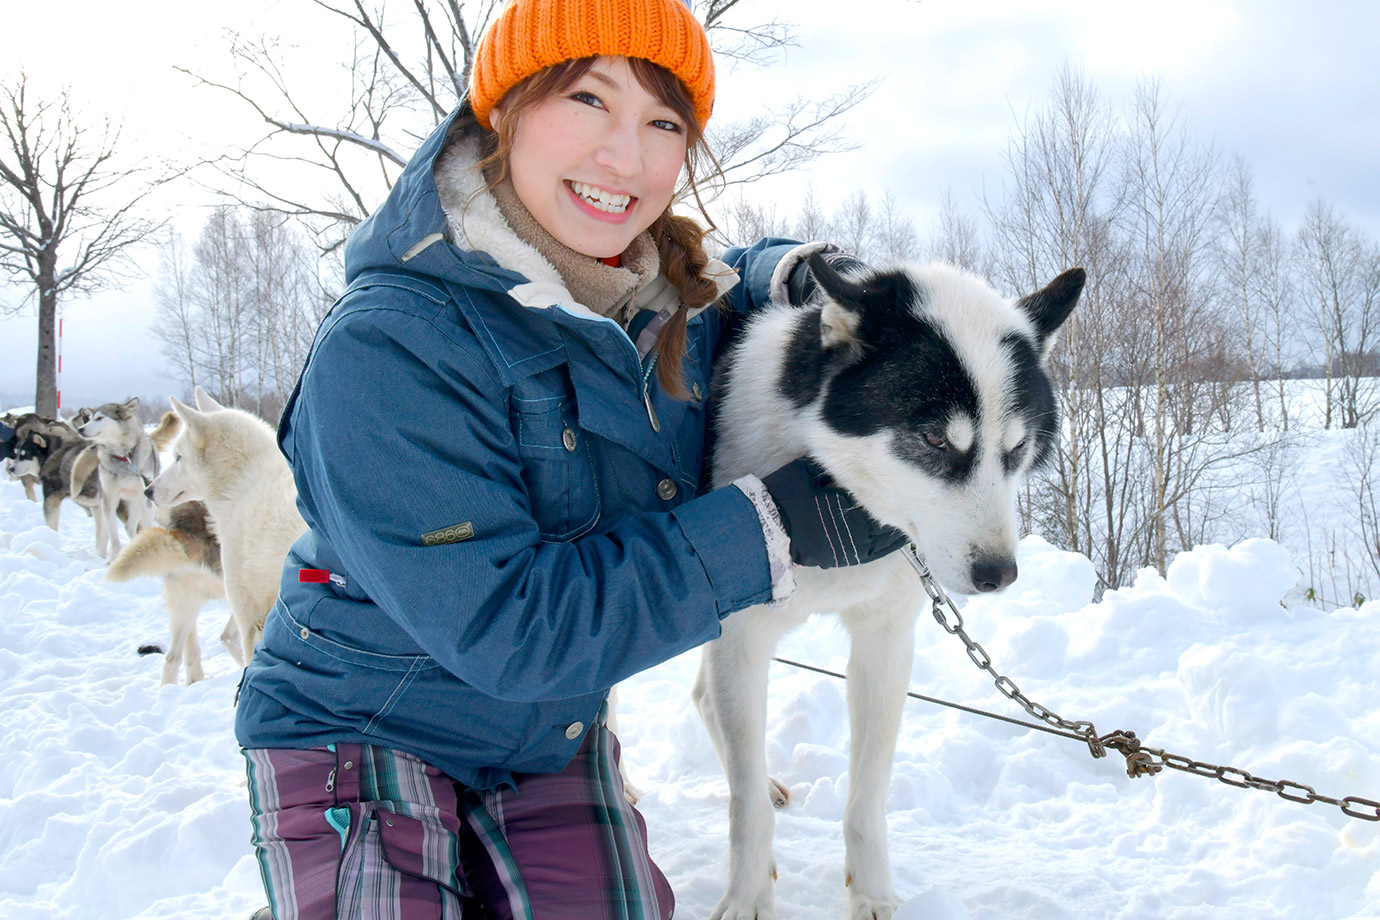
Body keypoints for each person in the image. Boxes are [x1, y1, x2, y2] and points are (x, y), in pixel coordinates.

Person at [234, 0, 905, 916]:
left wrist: (790, 271)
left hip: (544, 737)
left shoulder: (657, 301)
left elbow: (727, 276)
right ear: (504, 110)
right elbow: (512, 629)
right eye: (589, 100)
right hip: (360, 726)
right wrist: (771, 529)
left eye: (664, 123)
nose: (625, 158)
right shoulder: (389, 347)